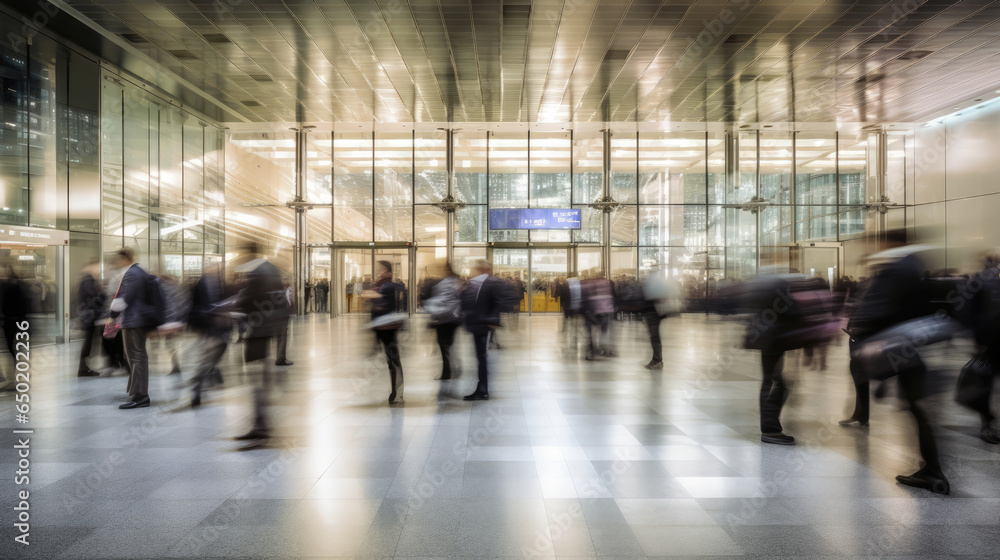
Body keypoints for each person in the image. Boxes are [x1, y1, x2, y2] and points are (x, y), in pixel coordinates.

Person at [844, 238, 949, 494]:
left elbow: (879, 309)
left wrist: (862, 329)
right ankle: (932, 468)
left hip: (898, 349)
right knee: (916, 406)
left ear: (889, 242)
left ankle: (934, 471)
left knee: (916, 406)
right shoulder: (916, 266)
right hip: (909, 347)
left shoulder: (897, 268)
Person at [232, 246, 290, 447]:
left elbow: (249, 298)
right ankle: (260, 426)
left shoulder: (259, 272)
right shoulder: (269, 269)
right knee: (259, 380)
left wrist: (229, 308)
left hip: (260, 330)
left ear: (248, 253)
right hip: (265, 329)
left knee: (258, 380)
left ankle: (261, 428)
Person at [109, 248, 160, 410]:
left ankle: (141, 395)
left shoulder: (132, 274)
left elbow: (125, 298)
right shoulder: (139, 272)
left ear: (125, 258)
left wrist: (113, 314)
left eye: (118, 259)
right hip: (138, 320)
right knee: (137, 357)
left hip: (134, 321)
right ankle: (137, 393)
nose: (116, 263)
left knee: (137, 357)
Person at [461, 260, 516, 401]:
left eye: (474, 269)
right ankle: (482, 387)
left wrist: (493, 319)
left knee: (482, 358)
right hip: (475, 325)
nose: (471, 272)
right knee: (480, 358)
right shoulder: (474, 283)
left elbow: (504, 300)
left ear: (483, 270)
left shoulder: (493, 283)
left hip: (483, 325)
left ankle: (483, 389)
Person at [188, 264, 230, 407]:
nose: (214, 272)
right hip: (207, 327)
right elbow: (194, 306)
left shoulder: (220, 284)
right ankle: (197, 387)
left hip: (219, 327)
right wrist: (207, 315)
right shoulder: (200, 284)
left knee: (216, 353)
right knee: (207, 357)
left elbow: (224, 303)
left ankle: (211, 374)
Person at [363, 260, 405, 403]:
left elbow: (388, 303)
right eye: (377, 267)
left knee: (392, 359)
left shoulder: (389, 285)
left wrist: (375, 296)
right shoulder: (378, 284)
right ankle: (395, 390)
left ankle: (396, 391)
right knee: (390, 359)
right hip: (378, 325)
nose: (378, 270)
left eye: (380, 268)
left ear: (387, 269)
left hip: (388, 326)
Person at [424, 261, 463, 380]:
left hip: (444, 320)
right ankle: (453, 367)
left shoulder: (444, 284)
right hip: (454, 320)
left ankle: (447, 371)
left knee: (443, 345)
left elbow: (442, 301)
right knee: (449, 345)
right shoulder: (457, 282)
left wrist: (433, 312)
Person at [76, 260, 105, 377]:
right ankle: (83, 368)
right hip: (90, 316)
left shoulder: (86, 280)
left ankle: (84, 367)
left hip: (88, 315)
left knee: (90, 342)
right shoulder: (88, 281)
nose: (99, 270)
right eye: (97, 267)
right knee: (88, 343)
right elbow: (94, 297)